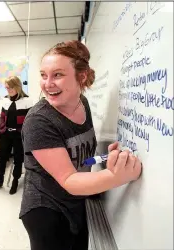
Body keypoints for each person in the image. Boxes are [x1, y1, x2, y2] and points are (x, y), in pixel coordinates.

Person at [20, 40, 142, 250]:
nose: (47, 83)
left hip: (77, 202)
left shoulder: (82, 103)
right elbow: (69, 179)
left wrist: (103, 158)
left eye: (57, 74)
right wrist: (119, 176)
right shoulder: (39, 121)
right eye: (43, 75)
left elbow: (80, 158)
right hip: (47, 210)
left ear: (81, 76)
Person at [0, 76, 32, 194]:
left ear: (17, 87)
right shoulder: (5, 100)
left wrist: (24, 132)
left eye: (10, 88)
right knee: (2, 158)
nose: (8, 90)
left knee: (18, 159)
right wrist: (1, 129)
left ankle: (15, 181)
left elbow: (30, 120)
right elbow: (2, 116)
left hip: (19, 136)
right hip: (6, 134)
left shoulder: (27, 101)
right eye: (6, 88)